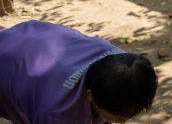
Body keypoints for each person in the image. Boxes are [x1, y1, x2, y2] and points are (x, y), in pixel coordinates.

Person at [0, 20, 158, 124]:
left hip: (28, 35)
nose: (122, 122)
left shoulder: (123, 62)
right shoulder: (58, 113)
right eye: (116, 117)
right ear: (90, 96)